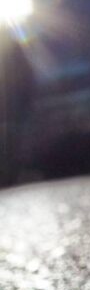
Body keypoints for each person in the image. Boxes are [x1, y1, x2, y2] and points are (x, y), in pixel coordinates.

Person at [0, 30, 35, 186]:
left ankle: (12, 176)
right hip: (11, 110)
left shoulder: (16, 51)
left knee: (13, 138)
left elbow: (27, 77)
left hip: (15, 110)